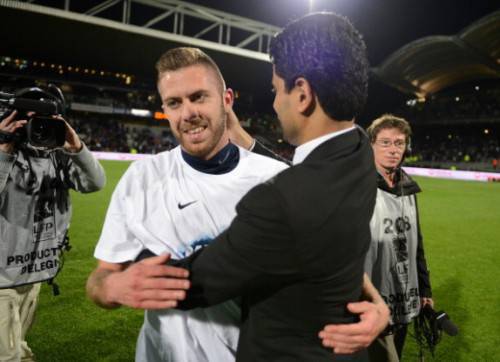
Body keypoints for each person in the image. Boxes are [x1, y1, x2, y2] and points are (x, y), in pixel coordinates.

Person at [86, 45, 388, 361]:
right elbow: (101, 276)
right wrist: (112, 287)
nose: (188, 113)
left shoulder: (274, 179)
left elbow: (323, 255)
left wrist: (375, 305)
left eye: (199, 97)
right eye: (174, 103)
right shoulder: (141, 178)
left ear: (227, 100)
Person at [162, 13, 383, 361]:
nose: (274, 103)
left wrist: (122, 276)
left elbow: (195, 284)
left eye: (276, 90)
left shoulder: (278, 202)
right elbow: (310, 182)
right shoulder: (359, 151)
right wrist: (246, 140)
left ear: (302, 94)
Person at [0, 110, 105, 362]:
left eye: (46, 122)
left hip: (34, 272)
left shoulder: (57, 158)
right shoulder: (4, 154)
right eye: (32, 120)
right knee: (7, 354)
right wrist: (3, 149)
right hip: (1, 278)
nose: (39, 128)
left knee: (20, 344)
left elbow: (95, 182)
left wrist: (76, 145)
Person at [364, 114, 433, 361]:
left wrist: (425, 288)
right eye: (385, 143)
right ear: (371, 145)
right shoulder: (357, 186)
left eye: (399, 143)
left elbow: (417, 243)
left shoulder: (409, 187)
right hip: (371, 300)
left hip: (405, 297)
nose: (393, 150)